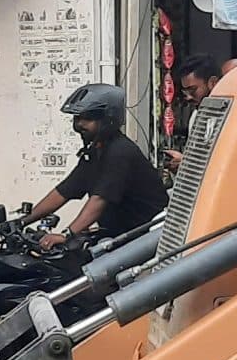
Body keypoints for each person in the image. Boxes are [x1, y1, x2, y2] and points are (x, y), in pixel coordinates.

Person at [29, 84, 165, 249]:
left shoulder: (120, 152)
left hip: (146, 239)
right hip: (119, 236)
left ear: (108, 118)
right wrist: (22, 221)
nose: (79, 125)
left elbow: (99, 200)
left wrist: (67, 234)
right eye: (77, 118)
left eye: (87, 118)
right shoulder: (95, 151)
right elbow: (64, 190)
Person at [162, 56, 221, 176]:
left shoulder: (230, 117)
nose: (188, 97)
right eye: (185, 92)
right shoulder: (195, 116)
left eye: (193, 90)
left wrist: (185, 163)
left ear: (213, 83)